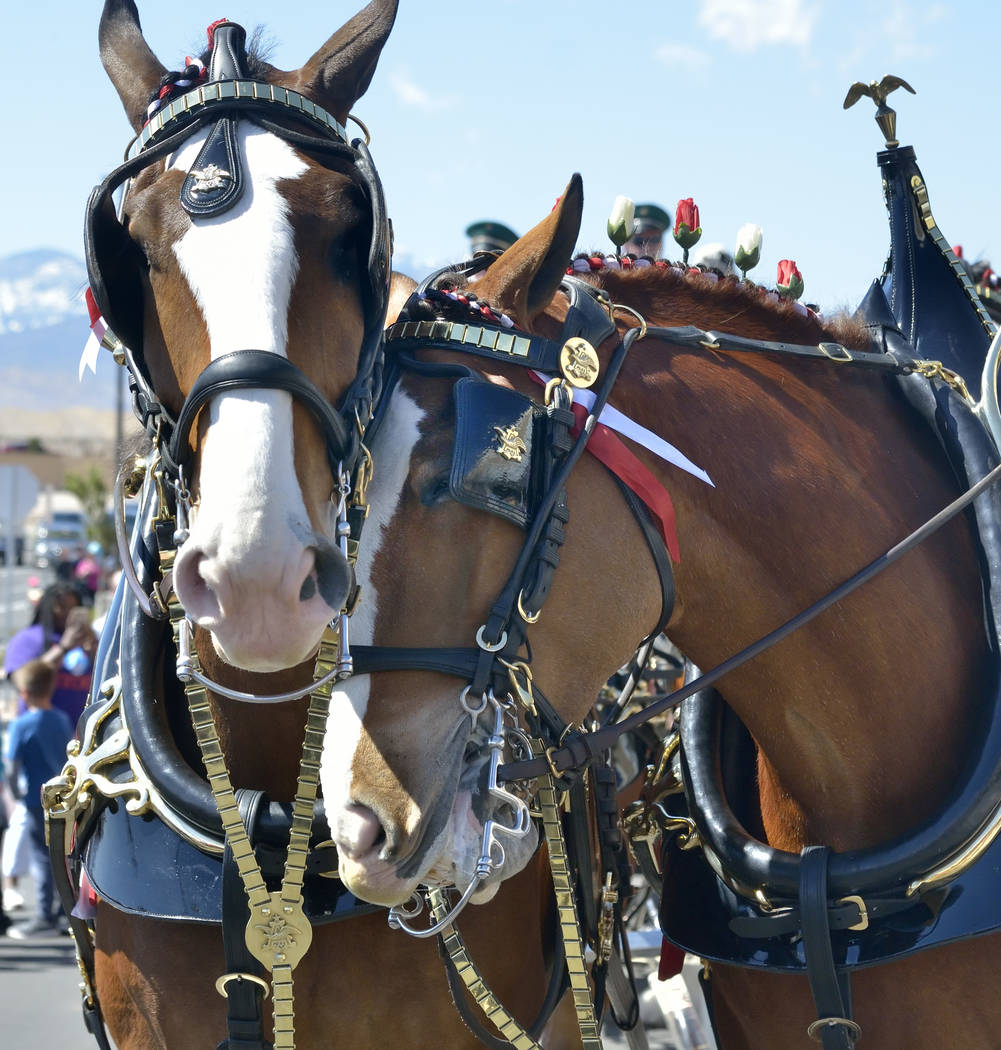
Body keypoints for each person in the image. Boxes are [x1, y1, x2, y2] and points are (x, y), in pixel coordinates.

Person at [4, 659, 72, 938]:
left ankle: (44, 916)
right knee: (63, 855)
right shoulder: (61, 719)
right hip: (64, 798)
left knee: (41, 858)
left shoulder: (21, 725)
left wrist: (16, 793)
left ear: (23, 693)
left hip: (35, 799)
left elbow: (11, 767)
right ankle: (61, 912)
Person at [4, 582, 97, 731]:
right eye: (61, 607)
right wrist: (63, 648)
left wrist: (95, 647)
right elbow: (22, 680)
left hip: (83, 734)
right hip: (40, 732)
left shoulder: (89, 641)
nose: (67, 613)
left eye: (73, 608)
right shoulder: (27, 639)